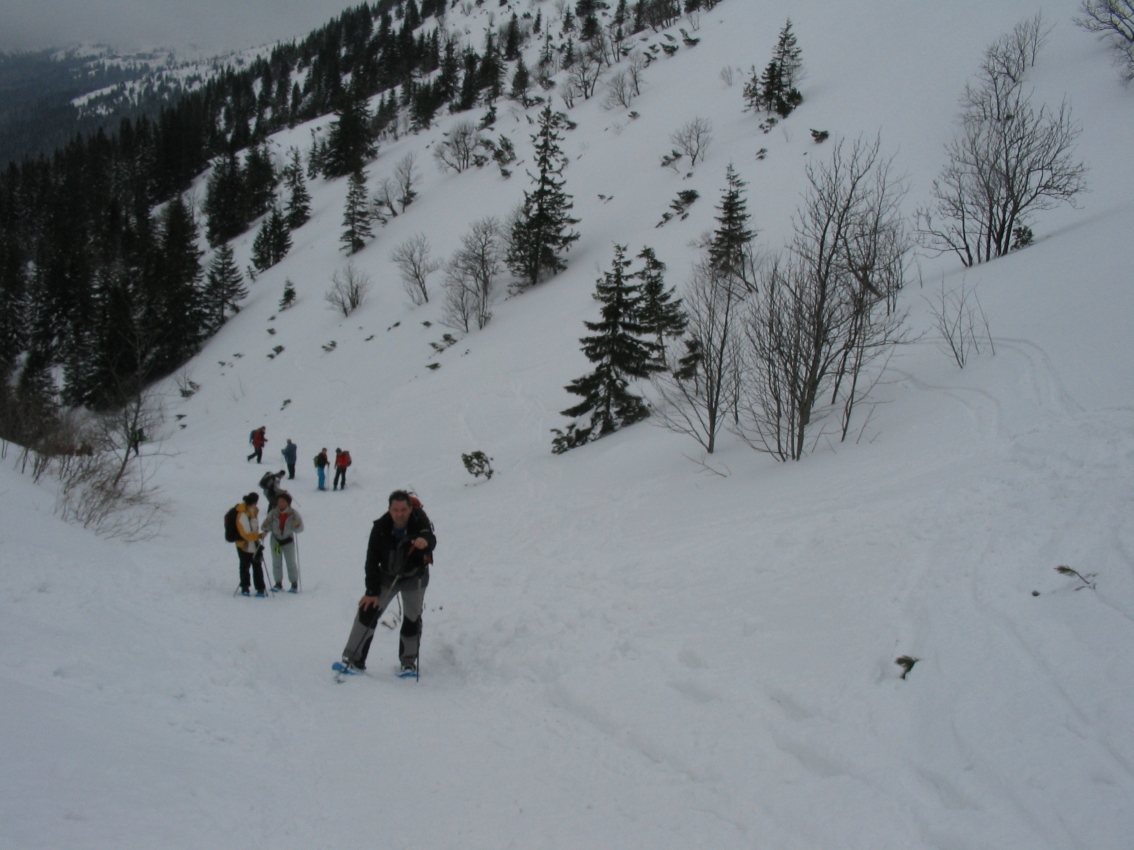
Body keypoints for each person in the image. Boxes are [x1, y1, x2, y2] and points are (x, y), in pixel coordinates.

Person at [340, 490, 436, 675]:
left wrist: (425, 541)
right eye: (396, 510)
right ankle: (352, 658)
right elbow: (371, 560)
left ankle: (408, 662)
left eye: (404, 509)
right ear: (390, 510)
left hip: (415, 577)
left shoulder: (419, 521)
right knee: (367, 610)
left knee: (412, 619)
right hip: (387, 576)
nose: (400, 514)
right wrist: (371, 590)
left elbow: (430, 538)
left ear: (409, 509)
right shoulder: (380, 527)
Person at [262, 491, 305, 592]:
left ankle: (294, 583)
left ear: (287, 502)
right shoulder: (273, 513)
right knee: (276, 562)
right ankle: (278, 583)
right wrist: (266, 525)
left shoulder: (294, 513)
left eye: (283, 501)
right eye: (279, 501)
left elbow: (300, 529)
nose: (280, 503)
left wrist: (297, 525)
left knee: (291, 563)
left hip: (288, 542)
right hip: (276, 542)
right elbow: (265, 527)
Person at [235, 492, 268, 596]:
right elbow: (246, 534)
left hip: (254, 543)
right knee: (246, 565)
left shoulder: (252, 510)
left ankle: (259, 588)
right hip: (244, 545)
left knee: (256, 565)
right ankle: (246, 587)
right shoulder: (242, 513)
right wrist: (258, 536)